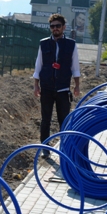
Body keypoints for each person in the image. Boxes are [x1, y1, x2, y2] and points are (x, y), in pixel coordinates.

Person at [33, 14, 81, 156]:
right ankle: (45, 148)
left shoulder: (71, 45)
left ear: (64, 27)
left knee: (64, 120)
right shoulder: (44, 44)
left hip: (63, 89)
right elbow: (38, 66)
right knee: (45, 119)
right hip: (46, 88)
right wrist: (36, 85)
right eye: (52, 26)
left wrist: (77, 85)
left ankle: (64, 149)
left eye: (58, 26)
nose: (55, 29)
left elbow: (75, 67)